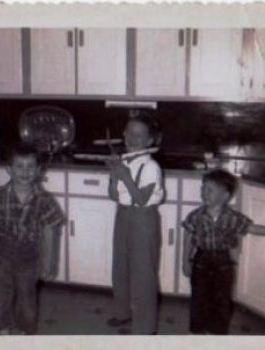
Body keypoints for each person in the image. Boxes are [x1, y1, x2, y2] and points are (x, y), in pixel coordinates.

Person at [0, 144, 64, 335]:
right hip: (1, 256)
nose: (25, 172)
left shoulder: (45, 200)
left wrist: (49, 262)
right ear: (9, 169)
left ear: (39, 171)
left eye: (30, 166)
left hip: (30, 258)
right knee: (1, 298)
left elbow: (51, 231)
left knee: (27, 300)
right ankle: (3, 330)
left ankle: (26, 333)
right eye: (19, 166)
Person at [182, 169, 265, 335]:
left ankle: (218, 333)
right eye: (202, 189)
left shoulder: (233, 217)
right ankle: (196, 332)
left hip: (223, 263)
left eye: (209, 190)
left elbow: (252, 228)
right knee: (199, 299)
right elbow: (189, 239)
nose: (204, 193)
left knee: (222, 301)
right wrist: (185, 261)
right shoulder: (195, 216)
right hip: (201, 261)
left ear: (225, 195)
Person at [106, 113, 164, 335]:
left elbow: (140, 199)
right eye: (130, 133)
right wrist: (113, 175)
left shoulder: (151, 167)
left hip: (143, 219)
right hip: (122, 215)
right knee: (120, 268)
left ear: (150, 140)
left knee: (143, 274)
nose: (133, 138)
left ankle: (145, 327)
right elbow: (113, 196)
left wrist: (125, 176)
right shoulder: (122, 160)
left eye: (140, 135)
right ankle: (122, 313)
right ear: (123, 135)